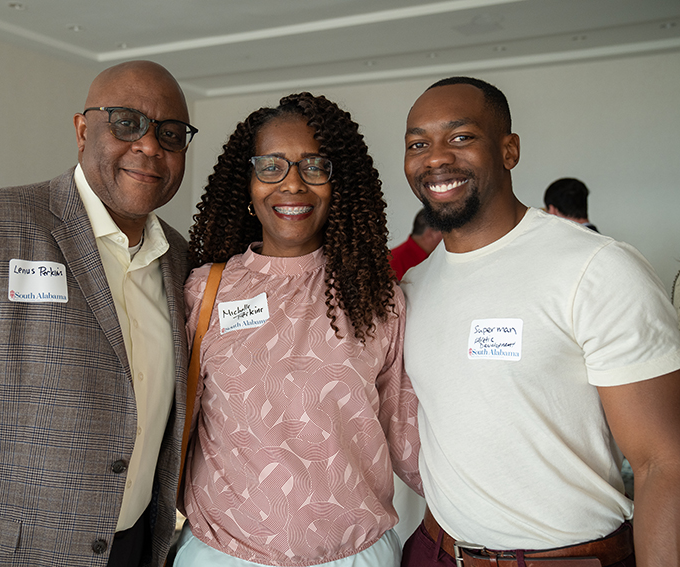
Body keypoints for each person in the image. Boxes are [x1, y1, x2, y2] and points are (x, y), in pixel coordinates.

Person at [0, 60, 197, 567]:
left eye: (170, 134)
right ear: (83, 130)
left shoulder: (179, 259)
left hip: (137, 548)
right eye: (127, 122)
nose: (150, 146)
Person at [399, 76, 680, 566]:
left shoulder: (596, 269)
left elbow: (664, 463)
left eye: (461, 137)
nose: (437, 157)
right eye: (418, 144)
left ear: (510, 150)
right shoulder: (415, 287)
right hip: (437, 551)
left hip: (564, 559)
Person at [175, 92, 423, 567]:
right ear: (247, 183)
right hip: (223, 554)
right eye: (271, 166)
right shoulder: (206, 291)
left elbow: (410, 442)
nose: (292, 184)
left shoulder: (376, 299)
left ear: (338, 183)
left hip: (354, 556)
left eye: (314, 166)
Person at [389, 209, 442, 280]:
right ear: (430, 234)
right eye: (446, 232)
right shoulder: (392, 262)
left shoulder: (438, 258)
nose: (449, 237)